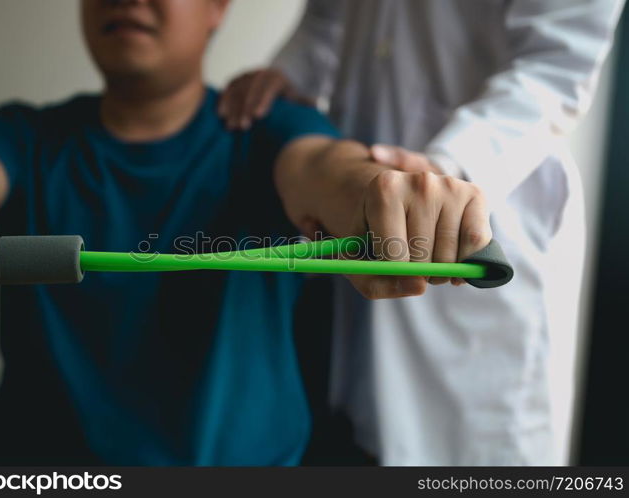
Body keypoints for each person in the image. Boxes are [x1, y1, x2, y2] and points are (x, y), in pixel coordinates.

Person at [0, 0, 492, 465]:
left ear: (217, 8)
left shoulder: (269, 133)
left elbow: (330, 174)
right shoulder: (22, 138)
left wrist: (381, 194)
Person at [220, 0, 625, 465]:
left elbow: (557, 64)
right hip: (365, 187)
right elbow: (328, 15)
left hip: (486, 196)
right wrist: (292, 74)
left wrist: (445, 169)